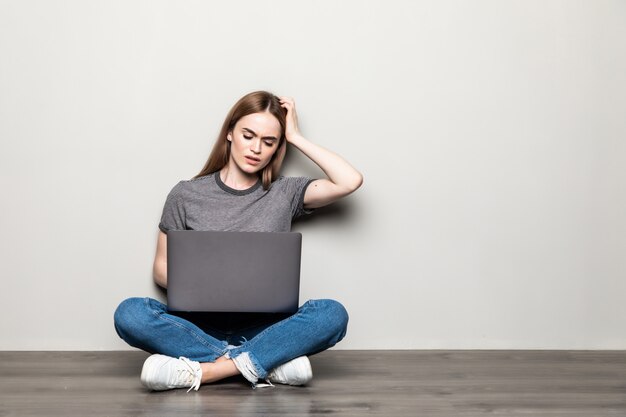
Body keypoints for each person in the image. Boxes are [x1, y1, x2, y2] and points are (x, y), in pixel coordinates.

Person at [113, 91, 363, 391]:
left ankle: (204, 372)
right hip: (196, 326)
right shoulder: (185, 194)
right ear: (230, 133)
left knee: (332, 314)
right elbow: (161, 269)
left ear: (277, 147)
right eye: (248, 135)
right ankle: (265, 363)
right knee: (130, 313)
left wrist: (295, 136)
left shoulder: (285, 193)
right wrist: (209, 282)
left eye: (269, 141)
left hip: (265, 326)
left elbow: (349, 180)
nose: (256, 148)